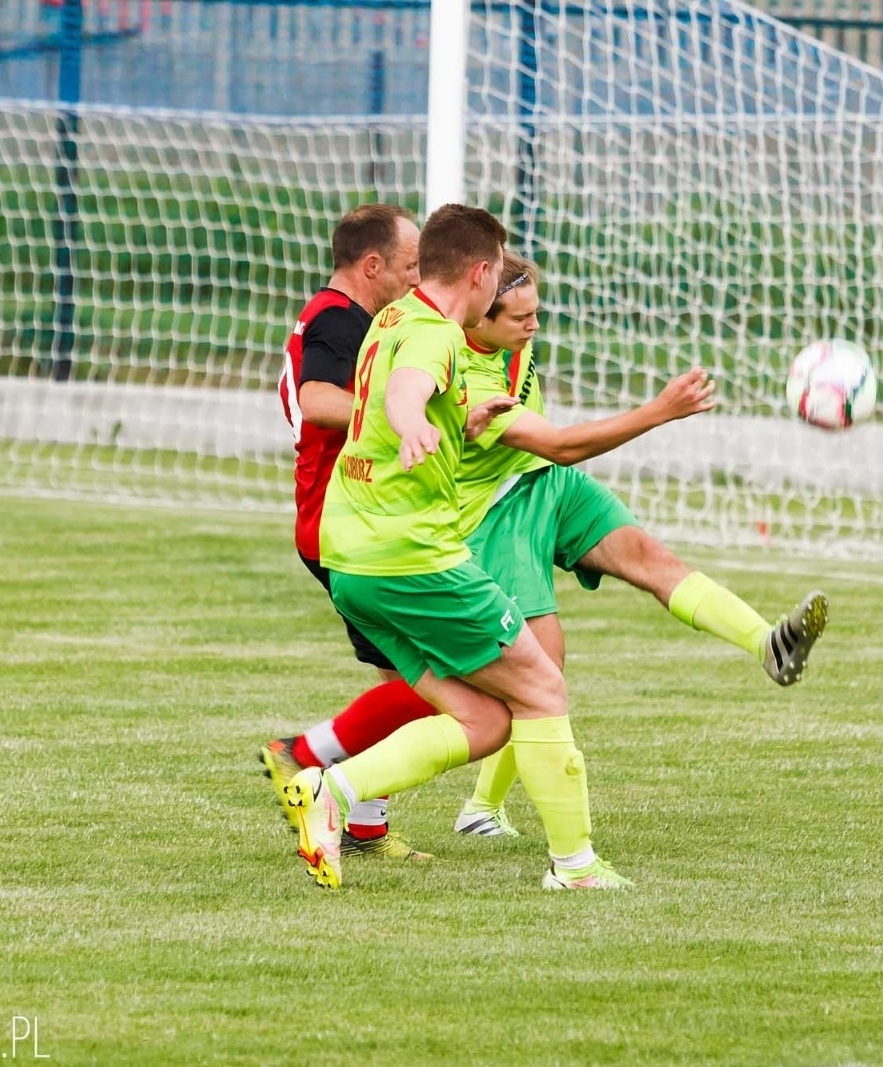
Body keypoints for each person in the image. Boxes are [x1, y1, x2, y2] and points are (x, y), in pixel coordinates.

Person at [267, 251, 828, 843]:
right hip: (497, 510)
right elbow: (559, 443)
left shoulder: (495, 321)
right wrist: (660, 411)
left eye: (538, 312)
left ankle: (765, 644)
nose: (533, 327)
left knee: (652, 560)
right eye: (519, 318)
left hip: (548, 486)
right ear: (478, 316)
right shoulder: (455, 360)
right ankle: (479, 809)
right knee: (539, 672)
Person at [284, 204, 630, 891]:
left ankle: (330, 789)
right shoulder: (439, 335)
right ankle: (576, 867)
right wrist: (414, 421)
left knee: (482, 717)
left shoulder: (390, 317)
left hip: (353, 560)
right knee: (541, 685)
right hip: (414, 558)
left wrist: (458, 415)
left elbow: (398, 384)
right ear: (479, 273)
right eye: (497, 273)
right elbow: (407, 389)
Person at [270, 202, 439, 860]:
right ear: (373, 266)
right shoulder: (339, 320)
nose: (415, 278)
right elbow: (316, 398)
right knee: (437, 675)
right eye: (409, 266)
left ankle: (361, 815)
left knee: (407, 671)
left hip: (347, 522)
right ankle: (305, 760)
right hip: (338, 527)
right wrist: (398, 418)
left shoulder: (344, 317)